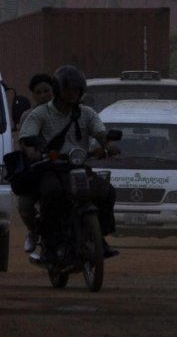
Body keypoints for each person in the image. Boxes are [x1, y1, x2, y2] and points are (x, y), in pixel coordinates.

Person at [18, 64, 119, 263]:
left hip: (79, 167)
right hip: (52, 168)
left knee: (108, 191)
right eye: (69, 89)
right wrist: (32, 151)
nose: (73, 94)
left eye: (77, 89)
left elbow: (100, 132)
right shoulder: (40, 114)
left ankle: (100, 238)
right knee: (51, 193)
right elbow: (26, 137)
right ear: (57, 90)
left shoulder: (87, 113)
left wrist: (108, 144)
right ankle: (50, 244)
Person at [15, 73, 55, 255]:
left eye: (47, 90)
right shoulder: (28, 116)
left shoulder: (67, 112)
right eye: (38, 92)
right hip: (38, 169)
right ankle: (34, 231)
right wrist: (32, 153)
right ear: (33, 95)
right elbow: (23, 141)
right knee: (25, 203)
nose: (43, 95)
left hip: (64, 166)